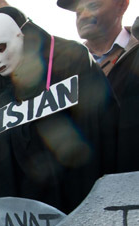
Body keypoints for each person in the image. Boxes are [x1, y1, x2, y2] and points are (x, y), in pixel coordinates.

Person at [0, 8, 119, 214]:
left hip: (67, 215)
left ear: (22, 36)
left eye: (1, 48)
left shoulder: (71, 65)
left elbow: (101, 135)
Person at [57, 0, 139, 172]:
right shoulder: (62, 71)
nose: (83, 16)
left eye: (93, 6)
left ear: (122, 5)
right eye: (78, 12)